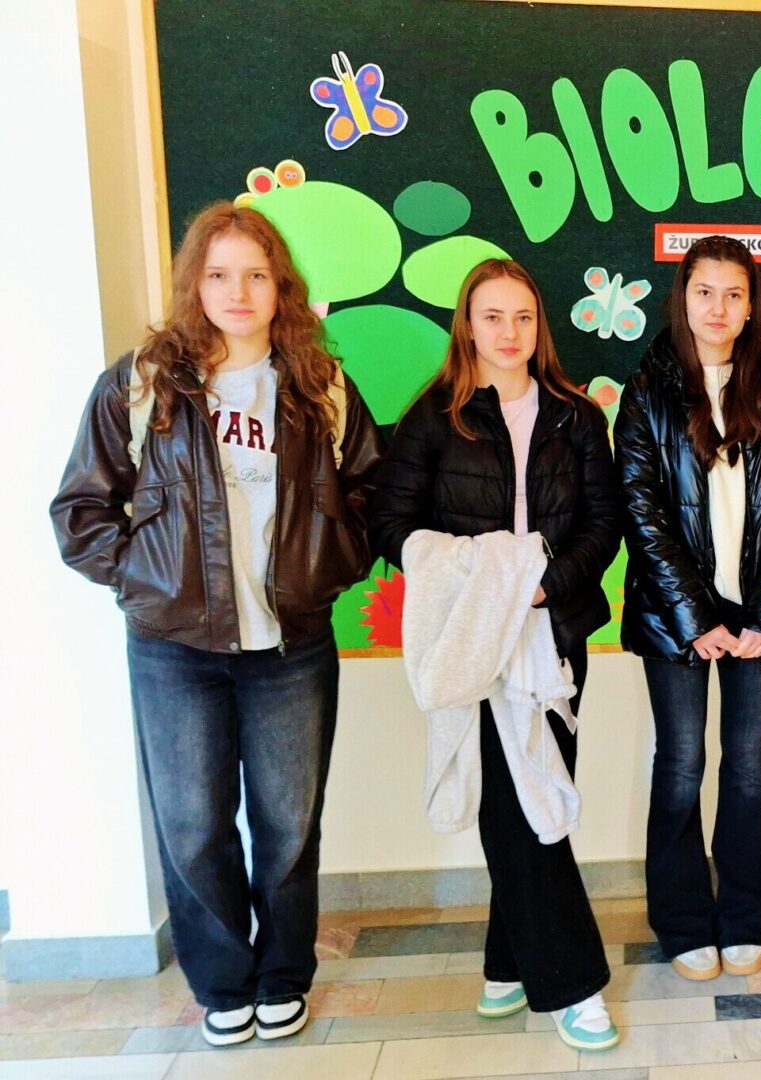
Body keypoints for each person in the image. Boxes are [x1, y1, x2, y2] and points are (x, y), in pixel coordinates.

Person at [51, 202, 384, 1046]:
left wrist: (328, 568)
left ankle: (283, 976)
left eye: (256, 275)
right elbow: (80, 511)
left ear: (282, 287)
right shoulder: (140, 384)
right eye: (220, 274)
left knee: (287, 824)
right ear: (195, 285)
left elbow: (369, 493)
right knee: (193, 826)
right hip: (174, 650)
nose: (239, 291)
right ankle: (222, 982)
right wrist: (147, 583)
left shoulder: (318, 387)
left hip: (291, 646)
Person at [368, 258, 622, 1050]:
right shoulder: (433, 418)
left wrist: (542, 585)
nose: (508, 332)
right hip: (472, 639)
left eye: (522, 317)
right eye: (492, 316)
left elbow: (603, 524)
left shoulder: (576, 418)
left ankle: (507, 963)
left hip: (554, 636)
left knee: (540, 797)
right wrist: (476, 575)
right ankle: (573, 987)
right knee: (517, 812)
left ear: (538, 326)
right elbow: (391, 524)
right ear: (467, 326)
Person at [615, 236, 761, 981]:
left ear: (751, 305)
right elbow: (641, 512)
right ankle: (680, 923)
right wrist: (694, 618)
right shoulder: (647, 391)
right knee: (680, 762)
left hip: (757, 611)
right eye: (705, 292)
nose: (719, 309)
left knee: (747, 763)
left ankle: (744, 918)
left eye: (734, 295)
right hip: (677, 616)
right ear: (684, 298)